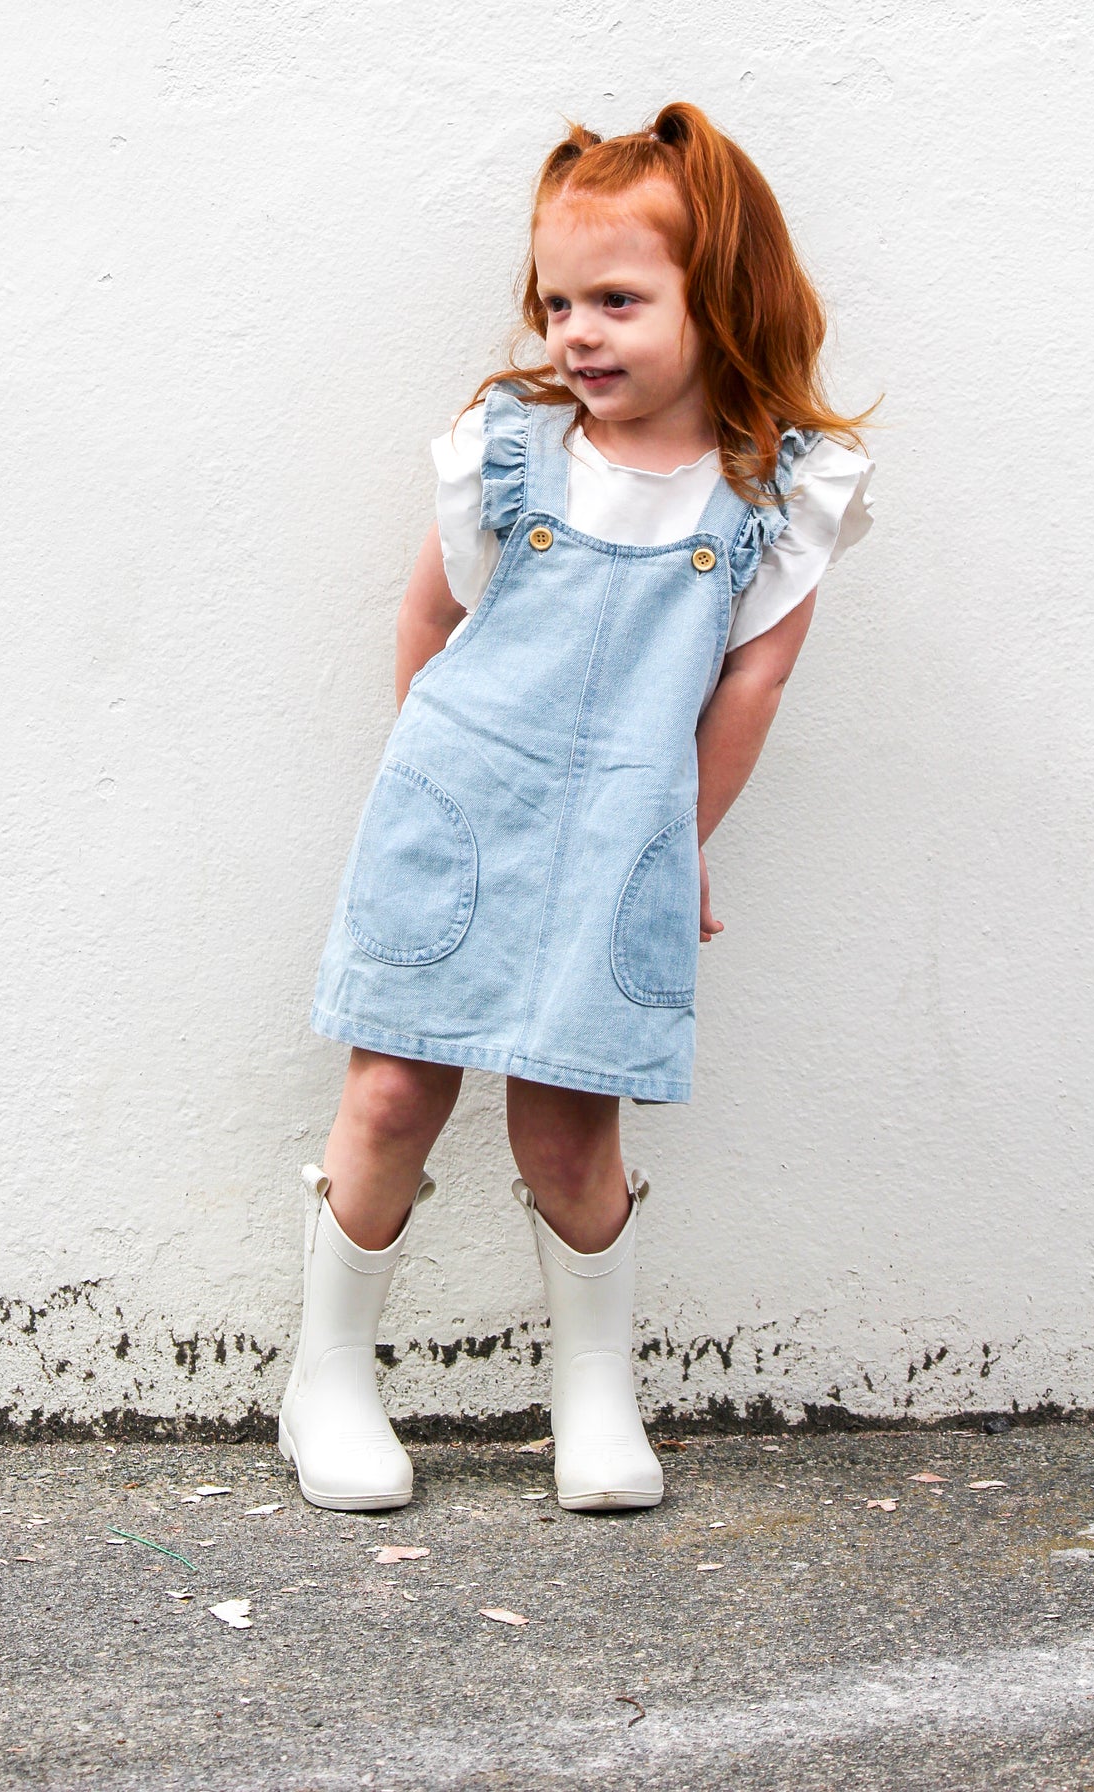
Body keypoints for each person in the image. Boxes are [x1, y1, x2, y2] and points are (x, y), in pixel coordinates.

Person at [281, 103, 875, 1514]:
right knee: (390, 1090)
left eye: (617, 299)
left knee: (568, 1124)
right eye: (557, 302)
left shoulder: (771, 494)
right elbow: (431, 639)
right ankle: (326, 1377)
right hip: (456, 800)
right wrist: (446, 806)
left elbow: (745, 694)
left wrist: (675, 848)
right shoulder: (508, 451)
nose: (575, 334)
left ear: (715, 300)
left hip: (623, 832)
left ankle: (594, 1392)